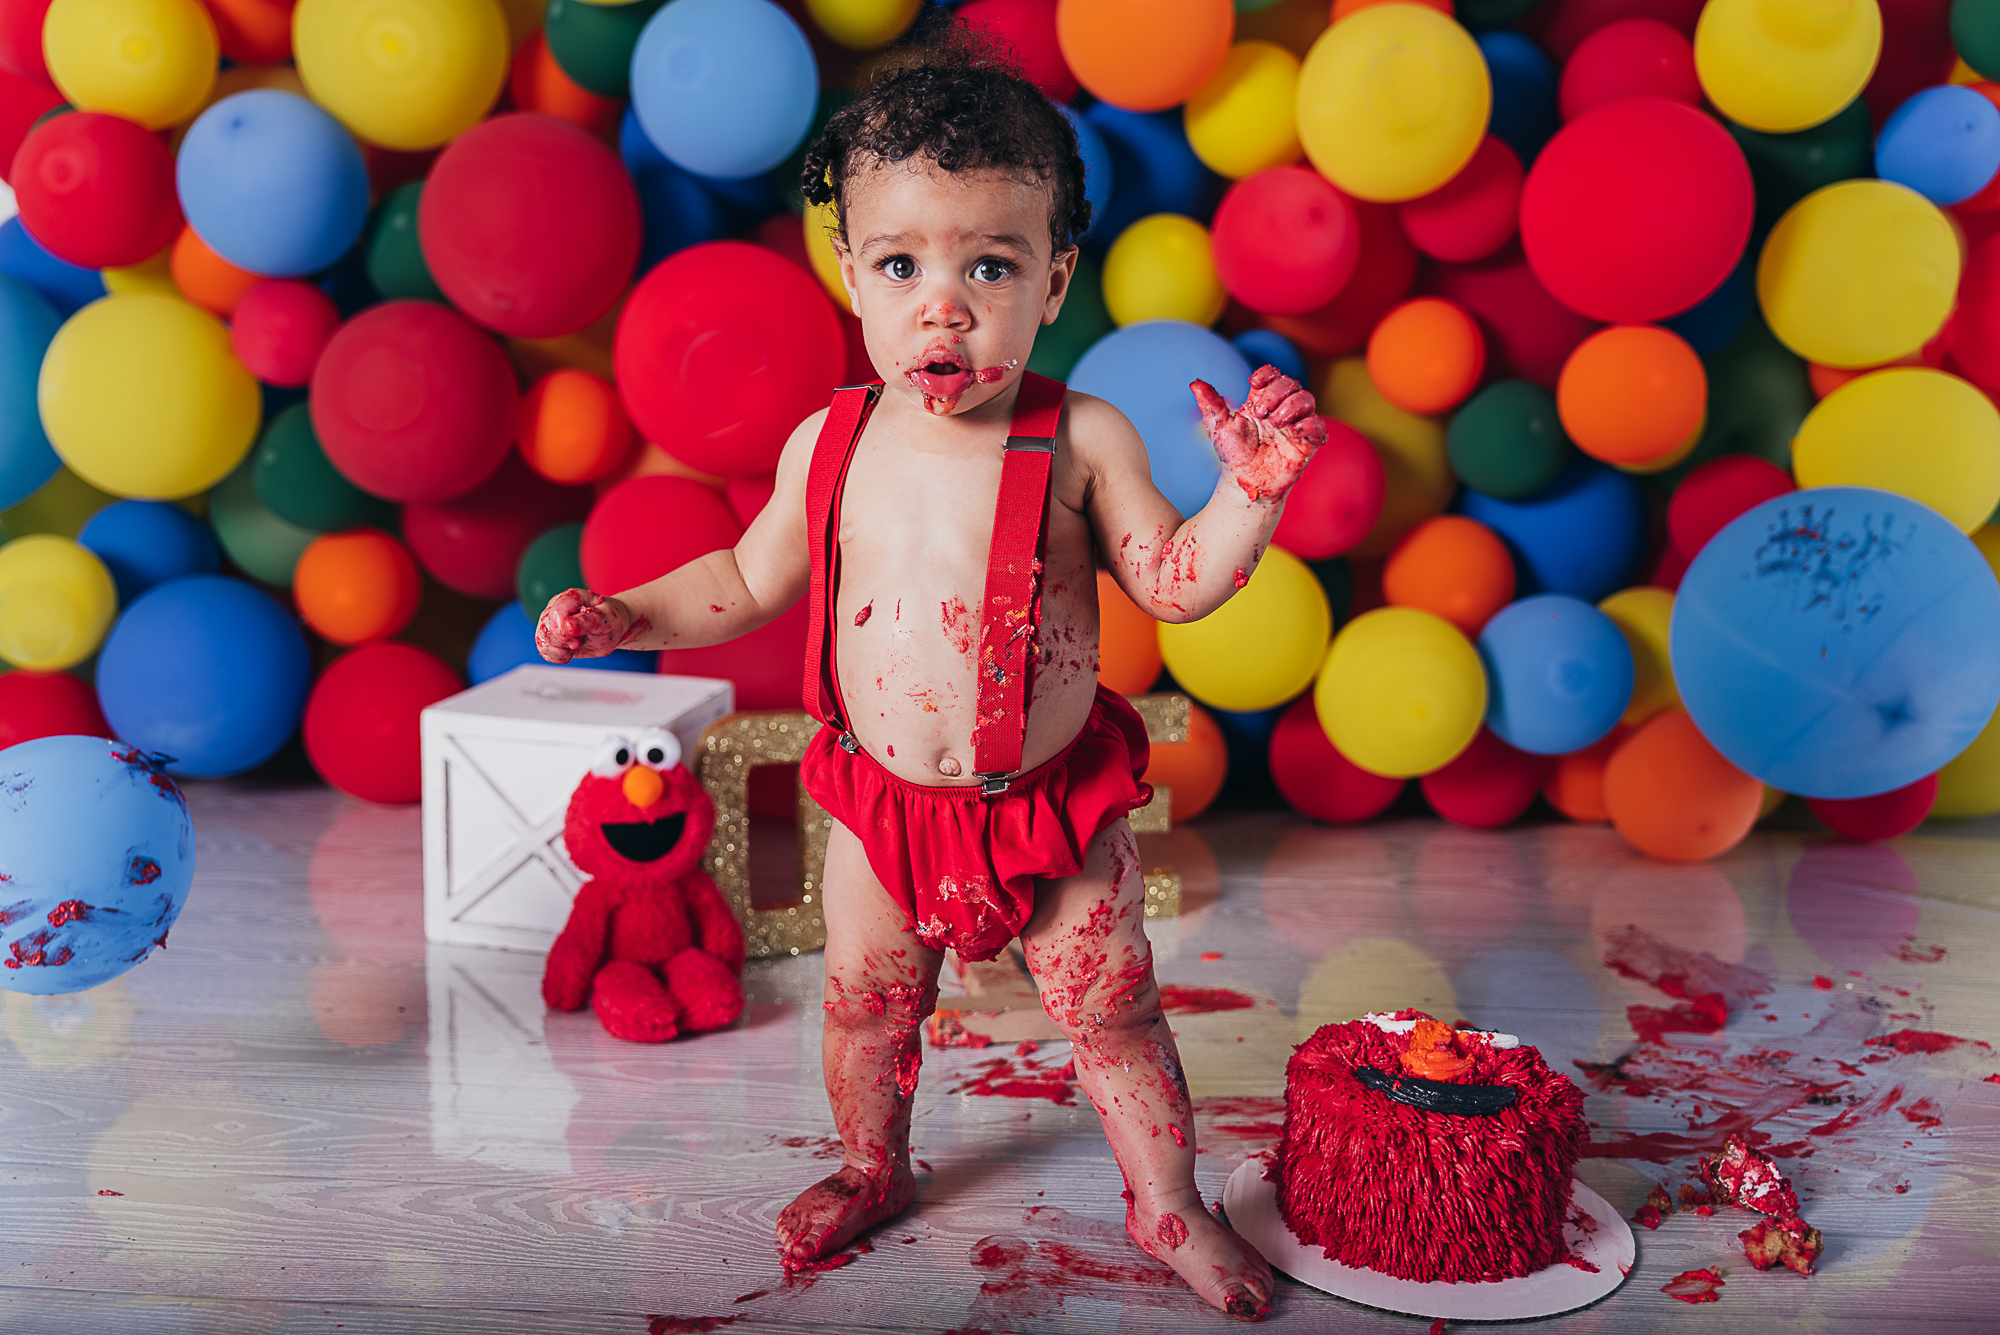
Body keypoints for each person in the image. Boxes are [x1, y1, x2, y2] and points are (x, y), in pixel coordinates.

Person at [536, 22, 1325, 1321]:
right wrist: (624, 612)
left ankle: (1169, 1205)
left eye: (991, 264)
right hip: (886, 810)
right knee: (864, 1010)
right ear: (850, 273)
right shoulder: (831, 442)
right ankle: (870, 1164)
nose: (942, 304)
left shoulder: (1081, 434)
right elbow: (744, 577)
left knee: (1115, 1017)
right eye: (901, 263)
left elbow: (1176, 579)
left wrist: (1248, 494)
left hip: (1047, 807)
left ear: (1057, 282)